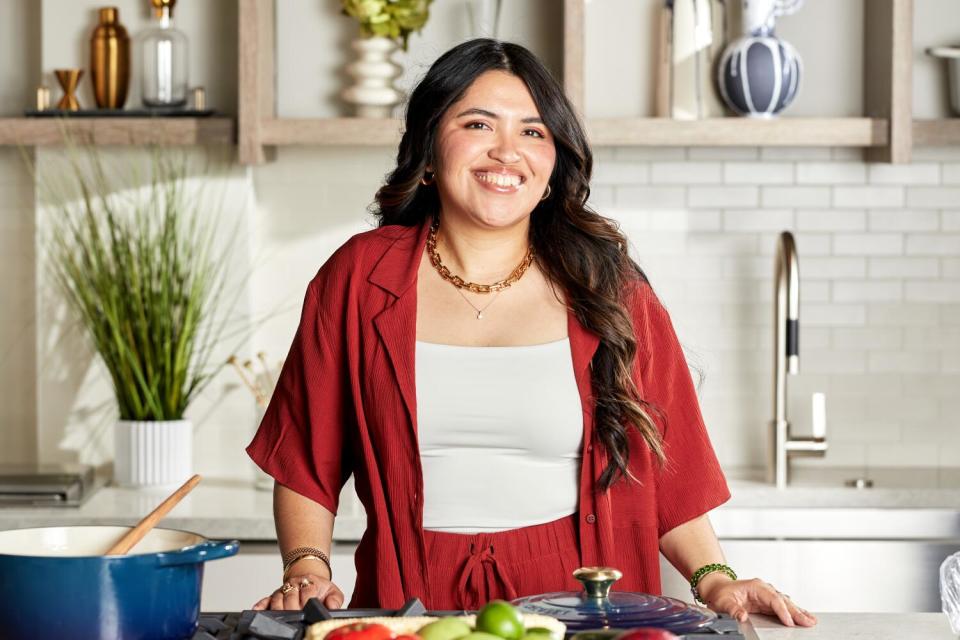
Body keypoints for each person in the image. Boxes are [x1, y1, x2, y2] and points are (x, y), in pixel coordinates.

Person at [247, 38, 816, 628]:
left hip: (585, 609)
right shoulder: (360, 278)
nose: (506, 152)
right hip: (410, 609)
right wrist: (306, 568)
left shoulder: (608, 288)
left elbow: (672, 478)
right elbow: (303, 457)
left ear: (551, 166)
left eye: (533, 132)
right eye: (478, 124)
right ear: (429, 147)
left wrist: (715, 581)